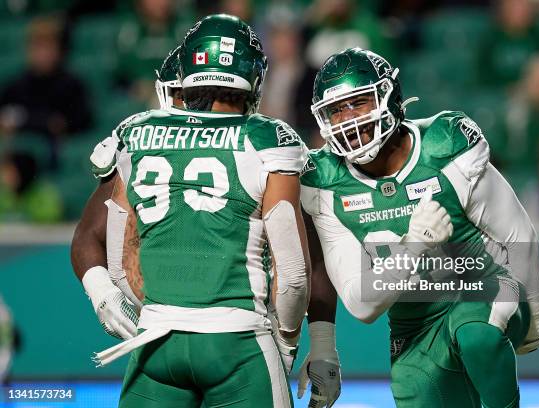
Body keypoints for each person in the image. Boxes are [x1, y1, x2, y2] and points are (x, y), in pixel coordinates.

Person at [80, 15, 311, 407]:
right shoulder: (268, 138)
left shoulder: (137, 132)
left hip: (156, 344)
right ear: (251, 74)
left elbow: (119, 261)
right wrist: (285, 343)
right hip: (237, 343)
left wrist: (161, 313)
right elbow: (292, 276)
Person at [300, 47, 539, 408]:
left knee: (476, 332)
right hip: (412, 326)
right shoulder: (325, 182)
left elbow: (517, 234)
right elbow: (361, 304)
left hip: (480, 286)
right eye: (336, 110)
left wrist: (534, 320)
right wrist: (413, 245)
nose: (349, 119)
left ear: (389, 98)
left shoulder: (444, 147)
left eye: (359, 103)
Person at [71, 46, 186, 342]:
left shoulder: (260, 146)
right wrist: (103, 292)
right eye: (183, 94)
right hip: (159, 321)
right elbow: (88, 234)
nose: (195, 106)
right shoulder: (140, 141)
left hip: (233, 324)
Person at [0, 16, 92, 169]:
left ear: (58, 49)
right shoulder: (14, 87)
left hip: (56, 160)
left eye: (47, 46)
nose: (42, 53)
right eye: (37, 46)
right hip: (17, 162)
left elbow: (79, 121)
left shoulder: (72, 85)